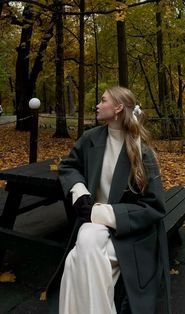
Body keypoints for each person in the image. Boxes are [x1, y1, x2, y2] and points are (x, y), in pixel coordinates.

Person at [55, 86, 171, 314]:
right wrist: (79, 192)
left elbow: (154, 207)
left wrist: (99, 213)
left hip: (128, 232)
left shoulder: (141, 151)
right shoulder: (91, 138)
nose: (97, 105)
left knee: (74, 260)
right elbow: (68, 166)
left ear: (118, 108)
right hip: (92, 223)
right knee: (87, 238)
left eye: (103, 100)